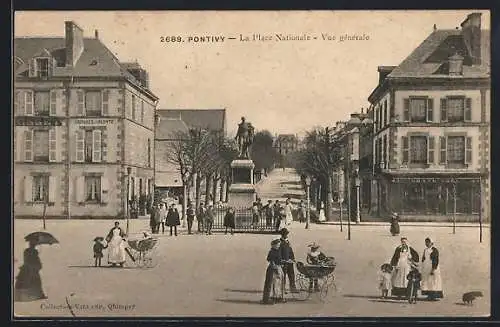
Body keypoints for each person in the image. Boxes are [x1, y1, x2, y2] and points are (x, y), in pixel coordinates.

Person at [262, 239, 284, 304]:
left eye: (279, 245)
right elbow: (271, 261)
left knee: (278, 283)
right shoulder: (271, 252)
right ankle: (267, 299)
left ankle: (277, 297)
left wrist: (282, 263)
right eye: (277, 245)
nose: (278, 246)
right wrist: (275, 268)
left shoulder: (278, 251)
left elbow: (279, 259)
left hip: (278, 267)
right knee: (270, 283)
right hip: (273, 269)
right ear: (273, 245)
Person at [279, 228, 297, 293]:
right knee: (283, 275)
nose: (286, 235)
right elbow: (279, 253)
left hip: (289, 262)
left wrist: (293, 258)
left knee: (292, 275)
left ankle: (293, 288)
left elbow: (290, 251)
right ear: (282, 234)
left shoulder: (288, 241)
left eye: (286, 234)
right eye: (285, 234)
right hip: (284, 262)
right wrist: (281, 260)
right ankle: (282, 289)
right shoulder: (280, 242)